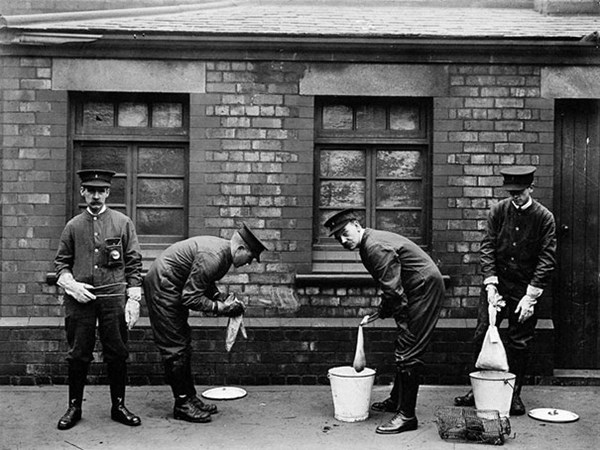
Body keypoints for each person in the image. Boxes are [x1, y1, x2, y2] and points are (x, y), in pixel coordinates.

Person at [324, 209, 445, 435]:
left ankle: (407, 416)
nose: (343, 240)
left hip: (424, 288)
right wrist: (383, 311)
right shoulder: (368, 244)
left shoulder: (373, 247)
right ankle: (396, 400)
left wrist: (400, 320)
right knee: (404, 345)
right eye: (338, 237)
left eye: (345, 233)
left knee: (408, 348)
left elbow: (393, 291)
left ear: (356, 225)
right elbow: (391, 285)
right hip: (416, 287)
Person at [454, 166, 557, 415]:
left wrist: (530, 297)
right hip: (497, 286)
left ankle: (513, 394)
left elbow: (547, 258)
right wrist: (490, 284)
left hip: (524, 289)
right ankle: (478, 389)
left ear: (531, 188)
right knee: (482, 334)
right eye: (512, 193)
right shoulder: (498, 211)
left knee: (519, 341)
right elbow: (488, 246)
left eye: (520, 192)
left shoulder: (544, 217)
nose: (515, 197)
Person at [143, 224, 267, 423]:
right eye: (250, 257)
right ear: (240, 248)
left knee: (183, 344)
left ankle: (189, 397)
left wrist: (219, 297)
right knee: (175, 348)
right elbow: (190, 298)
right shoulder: (214, 257)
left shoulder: (222, 255)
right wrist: (221, 308)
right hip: (163, 287)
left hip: (172, 284)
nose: (249, 263)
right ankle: (182, 404)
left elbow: (204, 281)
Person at [54, 169, 143, 430]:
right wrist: (71, 285)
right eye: (91, 190)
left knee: (117, 352)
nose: (95, 196)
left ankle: (119, 406)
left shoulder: (122, 223)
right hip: (80, 300)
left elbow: (134, 263)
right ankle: (74, 407)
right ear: (82, 192)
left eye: (101, 191)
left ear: (108, 193)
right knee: (78, 354)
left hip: (113, 299)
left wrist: (133, 298)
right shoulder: (73, 226)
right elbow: (61, 264)